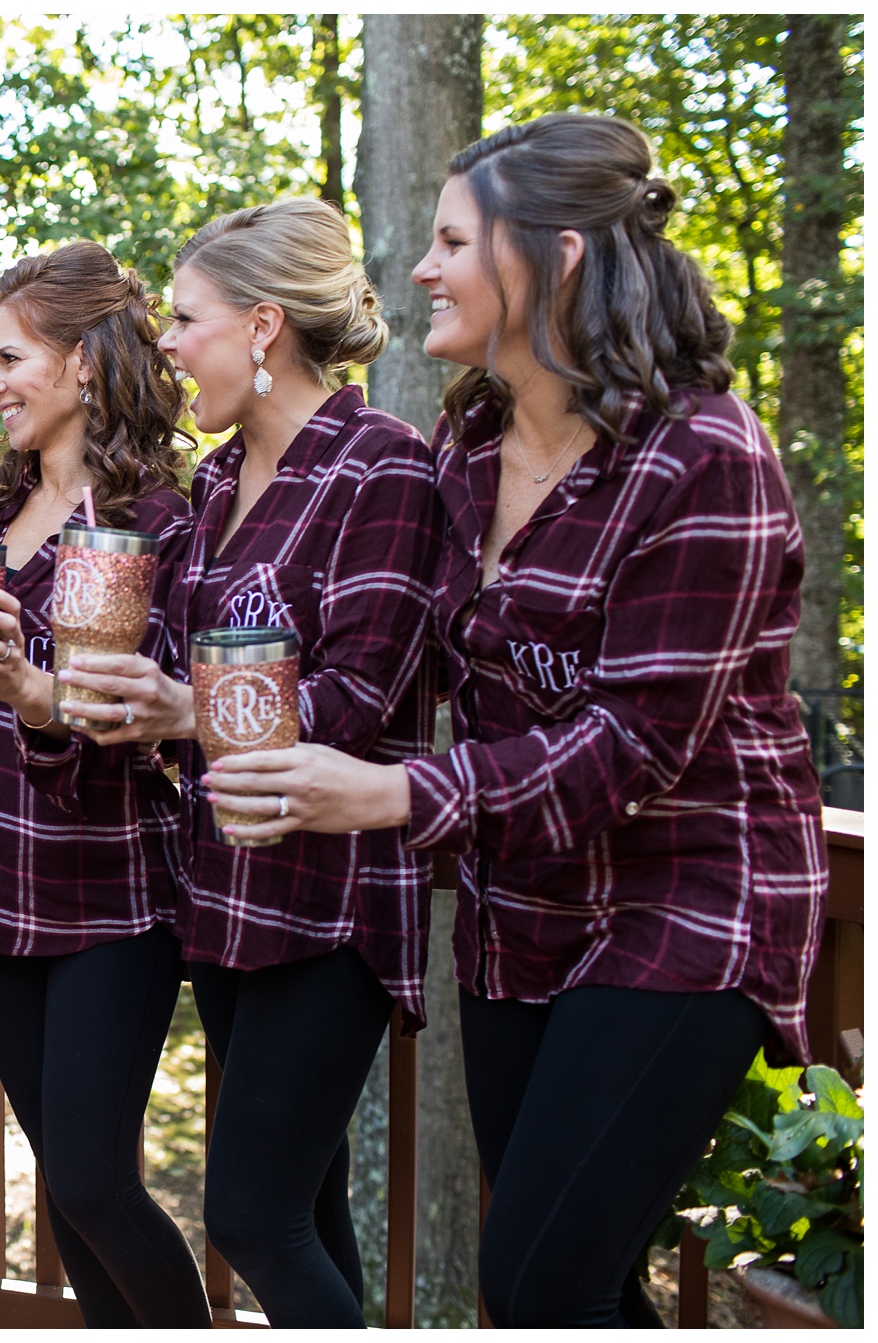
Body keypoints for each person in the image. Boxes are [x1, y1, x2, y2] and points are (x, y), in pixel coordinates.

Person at [200, 115, 829, 1327]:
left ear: (557, 254)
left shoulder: (702, 454)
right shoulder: (464, 443)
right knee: (557, 1288)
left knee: (535, 1275)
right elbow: (406, 660)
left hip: (688, 901)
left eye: (449, 240)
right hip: (515, 913)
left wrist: (389, 794)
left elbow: (631, 743)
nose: (420, 268)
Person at [58, 200, 439, 1326]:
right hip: (222, 893)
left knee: (249, 1213)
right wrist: (124, 695)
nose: (165, 343)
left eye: (185, 318)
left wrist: (185, 711)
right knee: (306, 1213)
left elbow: (360, 694)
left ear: (263, 325)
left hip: (334, 903)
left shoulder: (386, 469)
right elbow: (174, 672)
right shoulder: (214, 487)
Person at [0, 241, 208, 1327]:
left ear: (83, 363)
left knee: (95, 1179)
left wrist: (38, 692)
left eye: (8, 358)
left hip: (110, 896)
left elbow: (166, 718)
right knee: (65, 1190)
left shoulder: (159, 522)